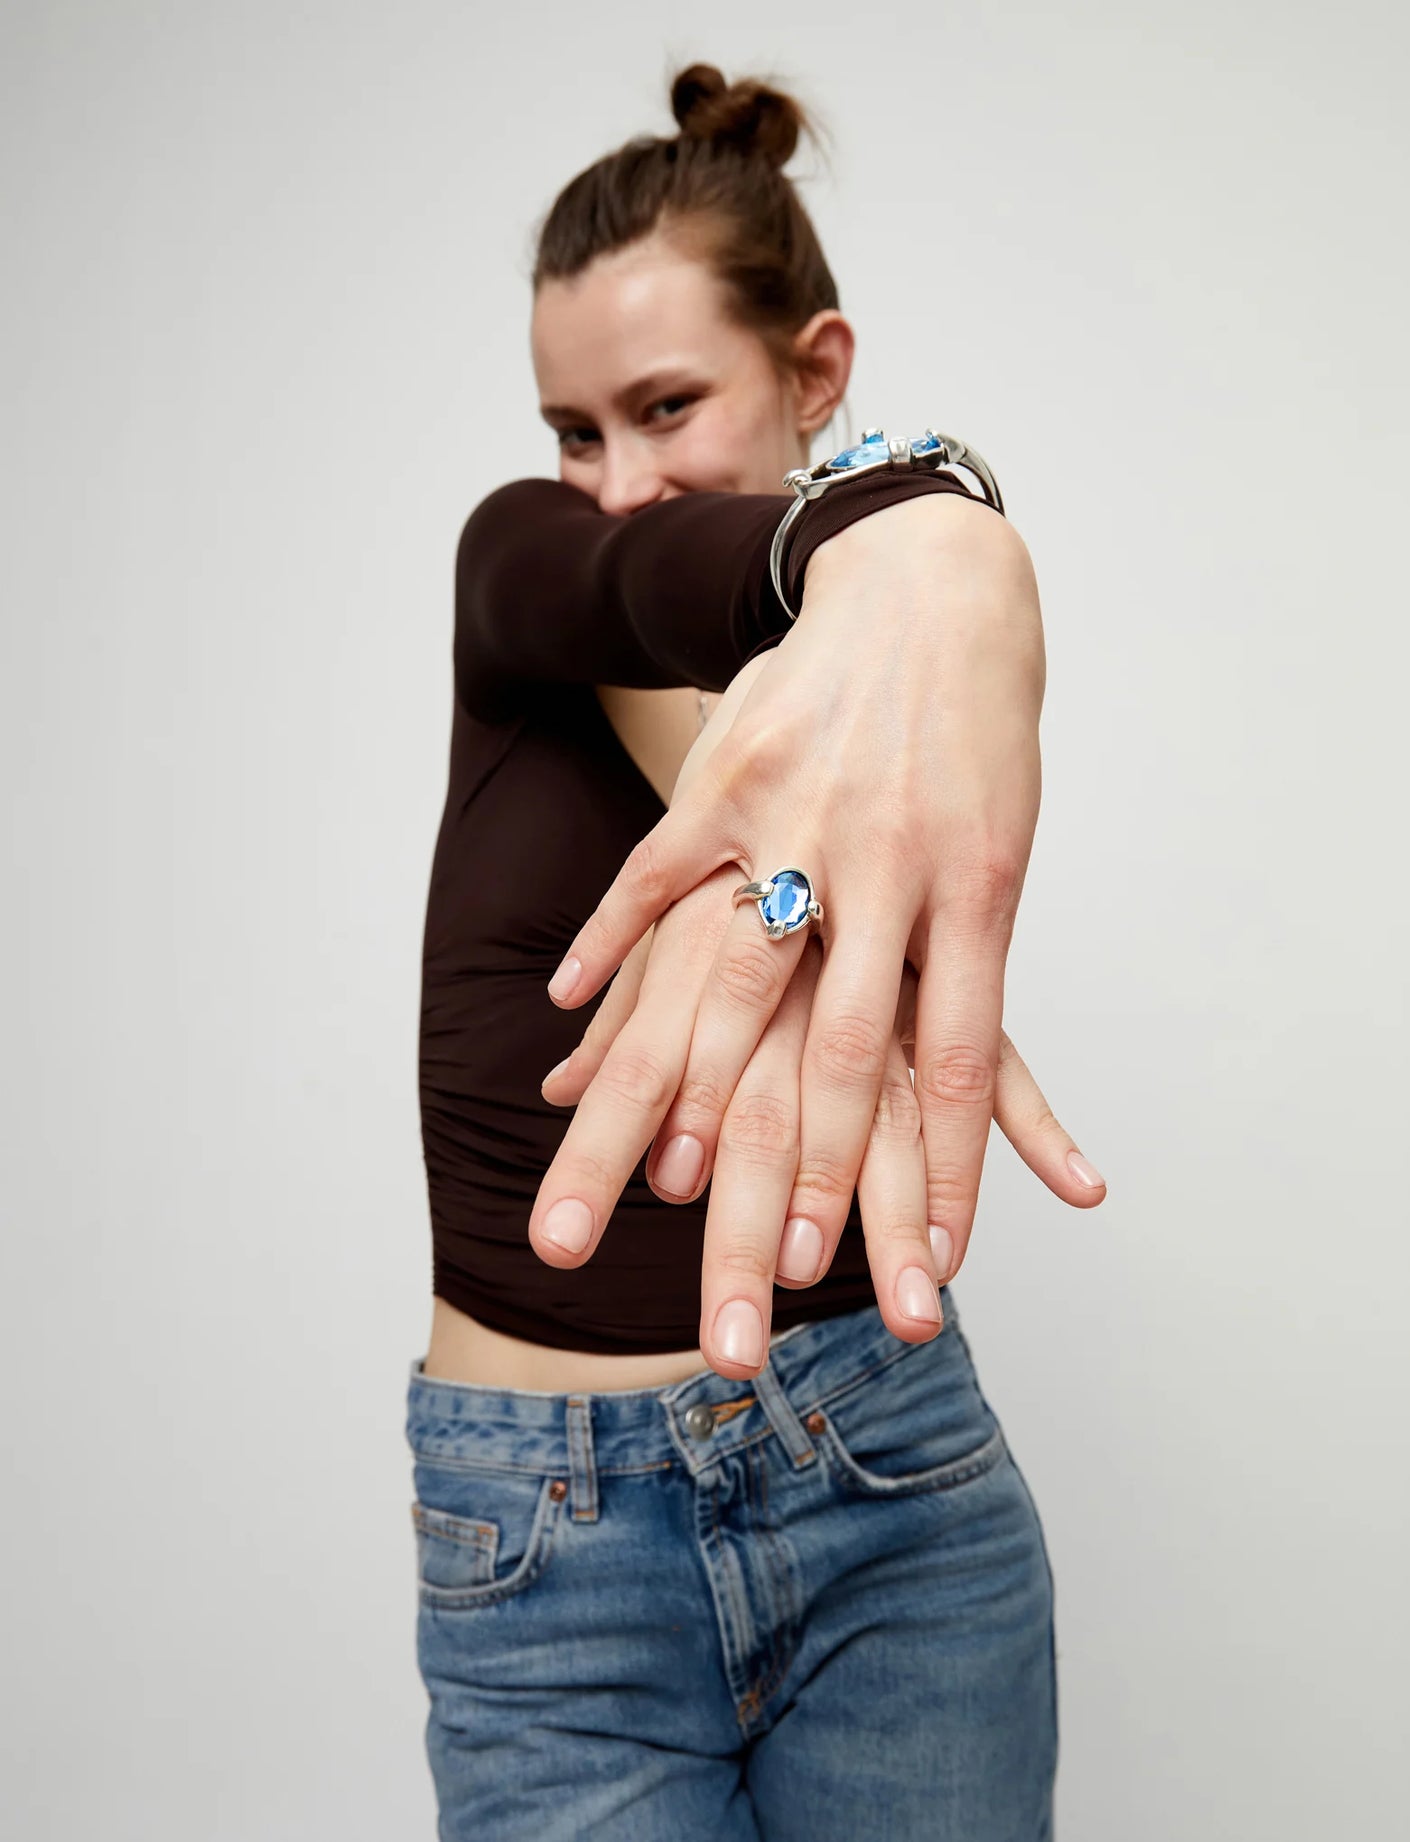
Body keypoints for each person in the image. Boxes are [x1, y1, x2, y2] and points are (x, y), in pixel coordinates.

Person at [407, 62, 1103, 1840]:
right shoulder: (526, 563)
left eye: (665, 406)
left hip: (887, 1479)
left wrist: (939, 549)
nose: (614, 481)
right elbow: (645, 580)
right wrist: (920, 528)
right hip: (549, 1548)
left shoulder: (885, 722)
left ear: (814, 372)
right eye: (574, 428)